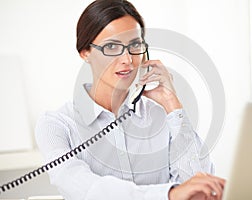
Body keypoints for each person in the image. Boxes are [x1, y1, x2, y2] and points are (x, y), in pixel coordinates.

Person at [35, 0, 225, 199]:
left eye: (135, 45)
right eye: (111, 46)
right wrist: (168, 195)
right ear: (86, 53)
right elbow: (83, 187)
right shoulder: (56, 124)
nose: (127, 59)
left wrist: (172, 104)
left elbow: (200, 187)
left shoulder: (163, 117)